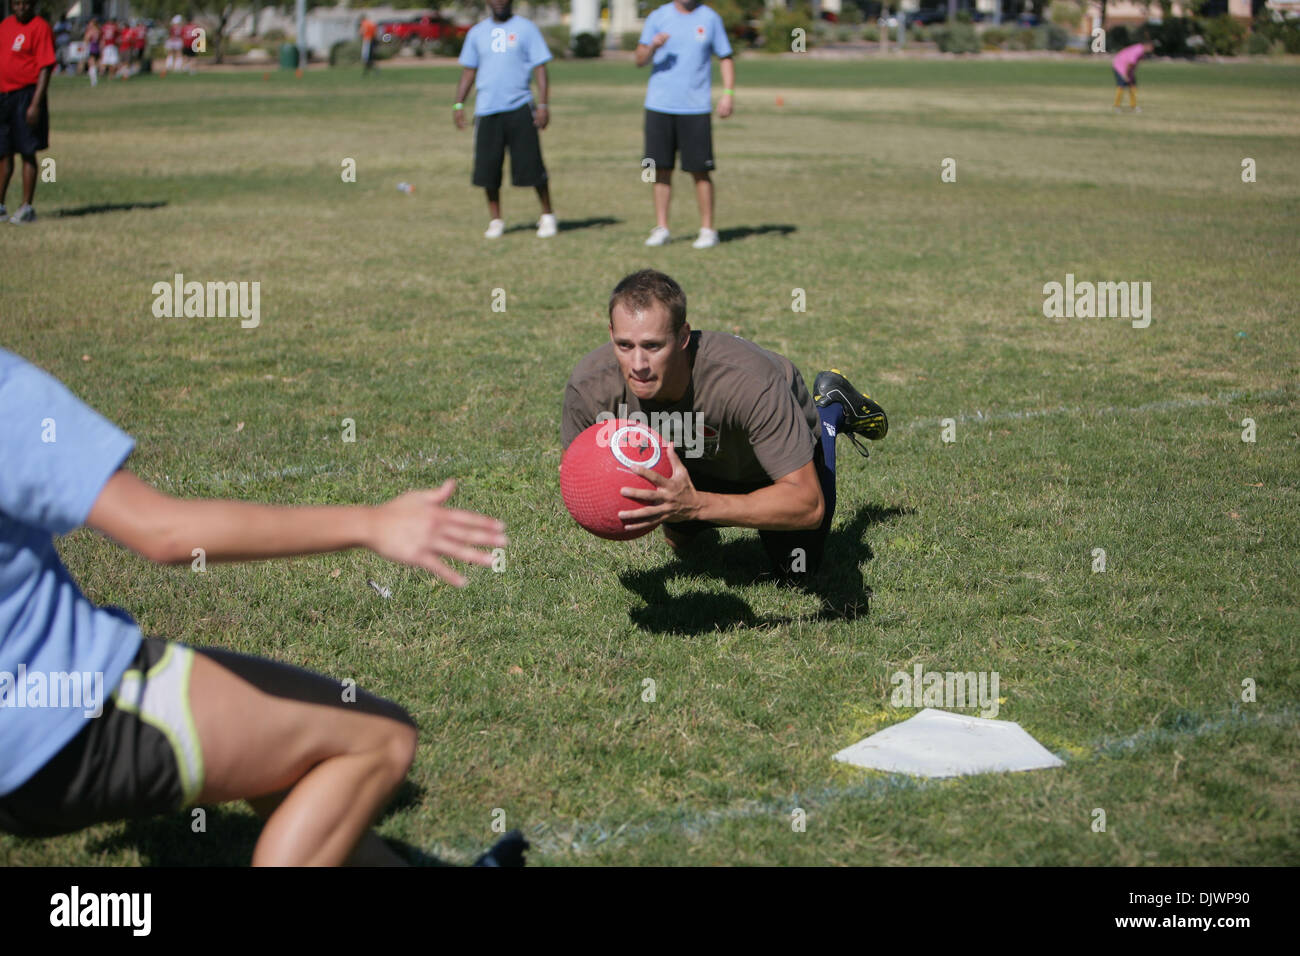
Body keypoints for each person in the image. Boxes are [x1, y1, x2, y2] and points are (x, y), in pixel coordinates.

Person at [0, 348, 525, 866]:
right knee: (379, 740)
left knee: (299, 749)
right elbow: (164, 533)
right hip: (66, 712)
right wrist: (371, 523)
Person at [561, 270, 888, 578]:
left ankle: (830, 410)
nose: (638, 365)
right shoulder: (589, 387)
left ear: (683, 336)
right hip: (697, 459)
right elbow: (581, 479)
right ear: (611, 335)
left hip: (761, 468)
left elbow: (807, 504)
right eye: (624, 345)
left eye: (653, 346)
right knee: (684, 547)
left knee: (797, 571)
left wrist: (697, 505)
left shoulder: (750, 382)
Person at [635, 0, 734, 249]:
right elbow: (639, 59)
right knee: (660, 169)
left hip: (696, 107)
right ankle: (661, 227)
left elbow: (725, 56)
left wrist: (728, 93)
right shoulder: (658, 16)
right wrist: (653, 46)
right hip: (659, 105)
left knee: (700, 170)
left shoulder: (710, 18)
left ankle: (708, 230)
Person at [454, 0, 556, 240]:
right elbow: (469, 70)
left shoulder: (527, 29)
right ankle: (496, 220)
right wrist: (459, 103)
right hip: (487, 109)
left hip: (520, 106)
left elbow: (540, 68)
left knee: (531, 164)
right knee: (488, 168)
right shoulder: (477, 33)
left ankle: (548, 215)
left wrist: (543, 104)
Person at [0, 0, 55, 225]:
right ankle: (1, 205)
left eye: (25, 3)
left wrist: (35, 103)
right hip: (4, 96)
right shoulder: (5, 26)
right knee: (3, 152)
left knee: (27, 151)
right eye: (16, 3)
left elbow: (45, 67)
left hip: (27, 95)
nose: (20, 8)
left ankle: (26, 207)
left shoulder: (40, 27)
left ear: (33, 4)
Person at [1112, 40, 1154, 113]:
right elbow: (1129, 63)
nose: (1152, 49)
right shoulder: (1138, 51)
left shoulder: (1141, 50)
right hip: (1120, 66)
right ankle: (1117, 106)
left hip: (1128, 68)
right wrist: (1125, 75)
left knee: (1133, 86)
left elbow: (1133, 64)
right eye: (1151, 47)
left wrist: (1131, 74)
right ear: (1147, 46)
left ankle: (1133, 106)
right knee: (1121, 86)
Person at [83, 17, 100, 86]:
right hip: (96, 48)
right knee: (94, 64)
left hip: (92, 48)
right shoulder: (98, 30)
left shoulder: (91, 31)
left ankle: (94, 81)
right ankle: (94, 80)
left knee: (91, 64)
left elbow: (86, 39)